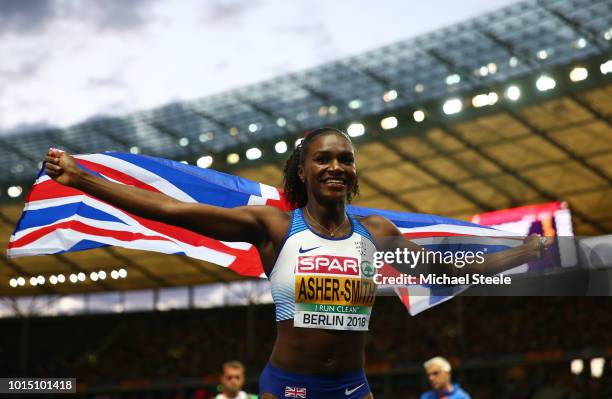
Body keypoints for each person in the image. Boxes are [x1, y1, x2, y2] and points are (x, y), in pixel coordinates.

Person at [44, 127, 547, 399]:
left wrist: (521, 253)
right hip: (289, 388)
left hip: (352, 388)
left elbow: (444, 274)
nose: (335, 166)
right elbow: (174, 211)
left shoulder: (377, 233)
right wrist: (83, 180)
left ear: (353, 174)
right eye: (323, 158)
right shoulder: (275, 228)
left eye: (345, 159)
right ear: (302, 171)